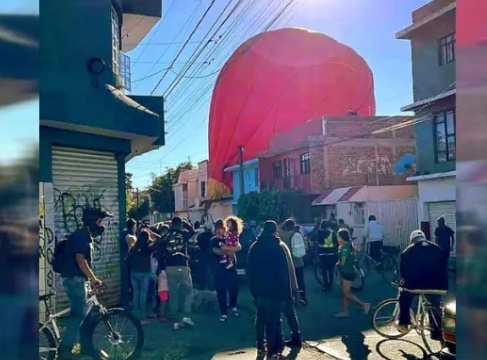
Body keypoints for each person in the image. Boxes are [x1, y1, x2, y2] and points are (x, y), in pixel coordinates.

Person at [58, 208, 111, 359]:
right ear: (92, 221)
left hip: (79, 279)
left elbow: (85, 262)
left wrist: (90, 280)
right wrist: (93, 278)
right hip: (74, 280)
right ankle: (66, 351)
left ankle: (87, 349)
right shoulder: (81, 236)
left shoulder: (85, 236)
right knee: (78, 315)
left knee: (87, 317)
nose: (101, 225)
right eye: (100, 221)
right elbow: (80, 261)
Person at [247, 220, 293, 359]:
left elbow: (250, 271)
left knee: (261, 318)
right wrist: (288, 294)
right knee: (274, 320)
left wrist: (253, 291)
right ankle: (273, 350)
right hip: (276, 290)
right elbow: (284, 273)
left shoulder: (254, 247)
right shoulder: (278, 247)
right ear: (275, 231)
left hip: (260, 291)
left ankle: (260, 346)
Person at [397, 230, 448, 338]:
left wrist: (404, 280)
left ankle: (404, 324)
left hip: (416, 285)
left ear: (412, 240)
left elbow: (403, 271)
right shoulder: (438, 249)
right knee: (435, 303)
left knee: (404, 296)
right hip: (439, 285)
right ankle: (437, 332)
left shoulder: (408, 251)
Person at [158, 216, 196, 329]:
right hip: (182, 265)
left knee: (173, 294)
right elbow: (193, 232)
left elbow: (160, 251)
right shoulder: (183, 233)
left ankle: (175, 320)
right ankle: (186, 315)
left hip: (169, 267)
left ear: (171, 224)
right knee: (189, 291)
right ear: (180, 224)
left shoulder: (165, 236)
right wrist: (186, 224)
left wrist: (162, 268)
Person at [211, 218, 242, 322]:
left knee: (234, 289)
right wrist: (227, 252)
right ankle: (223, 312)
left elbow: (238, 246)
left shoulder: (228, 237)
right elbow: (215, 250)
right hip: (219, 270)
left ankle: (233, 306)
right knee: (221, 291)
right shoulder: (214, 240)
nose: (220, 231)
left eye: (222, 228)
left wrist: (230, 249)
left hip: (231, 268)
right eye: (218, 229)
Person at [335, 228, 370, 318]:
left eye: (338, 237)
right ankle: (345, 311)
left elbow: (342, 263)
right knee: (345, 292)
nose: (337, 239)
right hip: (349, 271)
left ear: (342, 237)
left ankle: (364, 305)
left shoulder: (344, 248)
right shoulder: (349, 245)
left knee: (346, 293)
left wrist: (336, 264)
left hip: (347, 272)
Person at [127, 228, 157, 325]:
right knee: (143, 295)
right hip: (145, 272)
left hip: (134, 272)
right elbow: (159, 240)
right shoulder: (148, 248)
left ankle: (135, 316)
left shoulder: (133, 248)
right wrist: (152, 233)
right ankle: (142, 317)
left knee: (136, 294)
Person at [314, 220, 339, 291]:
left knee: (324, 271)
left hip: (323, 255)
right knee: (331, 271)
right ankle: (330, 286)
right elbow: (337, 243)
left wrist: (317, 255)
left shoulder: (320, 233)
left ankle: (326, 286)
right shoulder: (332, 233)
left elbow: (317, 243)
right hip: (332, 254)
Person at [197, 221, 215, 290]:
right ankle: (212, 291)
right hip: (211, 259)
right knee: (211, 277)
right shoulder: (213, 236)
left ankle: (202, 290)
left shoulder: (201, 236)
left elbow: (198, 244)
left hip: (202, 259)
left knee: (202, 277)